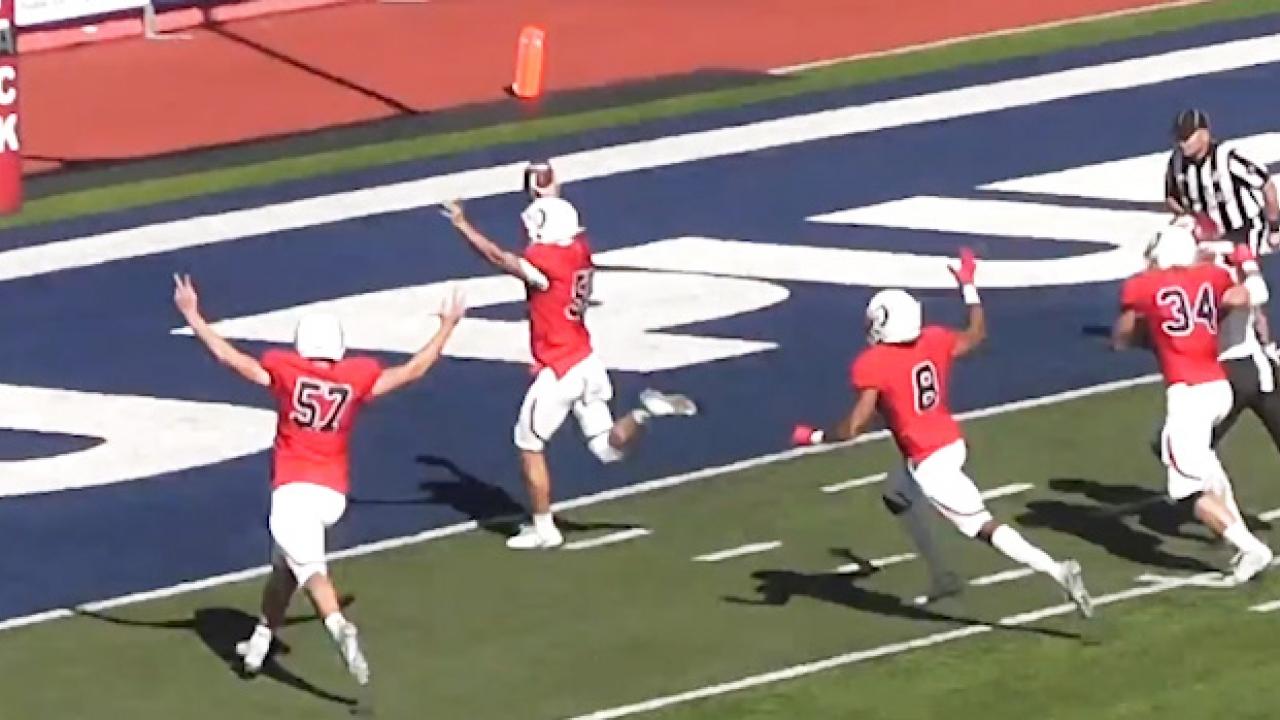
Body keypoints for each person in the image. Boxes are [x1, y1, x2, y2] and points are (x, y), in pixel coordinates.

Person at [173, 273, 466, 684]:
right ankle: (259, 644)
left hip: (294, 487)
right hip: (332, 491)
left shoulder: (287, 371)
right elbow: (413, 370)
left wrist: (194, 316)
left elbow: (230, 358)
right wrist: (448, 326)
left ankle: (338, 626)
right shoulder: (355, 377)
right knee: (285, 569)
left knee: (311, 570)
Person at [792, 249, 1093, 616]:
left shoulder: (875, 362)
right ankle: (942, 577)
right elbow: (976, 334)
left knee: (980, 525)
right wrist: (969, 286)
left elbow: (853, 427)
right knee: (896, 496)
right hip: (948, 441)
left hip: (929, 459)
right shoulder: (933, 339)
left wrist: (815, 437)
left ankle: (1057, 570)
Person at [442, 194, 698, 550]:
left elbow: (498, 258)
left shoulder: (546, 261)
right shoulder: (580, 251)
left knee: (529, 445)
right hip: (586, 362)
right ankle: (643, 413)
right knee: (607, 449)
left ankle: (544, 528)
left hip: (559, 369)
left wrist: (462, 225)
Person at [1112, 216, 1274, 583]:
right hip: (1219, 386)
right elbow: (1254, 294)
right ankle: (1239, 538)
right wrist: (1248, 263)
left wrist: (1141, 327)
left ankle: (1250, 547)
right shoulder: (1212, 277)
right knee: (1206, 466)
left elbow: (1122, 338)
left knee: (1185, 489)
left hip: (1188, 393)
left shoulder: (1144, 285)